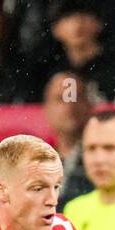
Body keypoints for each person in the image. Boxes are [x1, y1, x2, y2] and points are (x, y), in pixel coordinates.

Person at [42, 69, 95, 207]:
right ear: (46, 108)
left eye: (75, 97)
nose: (69, 106)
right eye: (61, 99)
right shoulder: (35, 160)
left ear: (89, 105)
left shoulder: (101, 158)